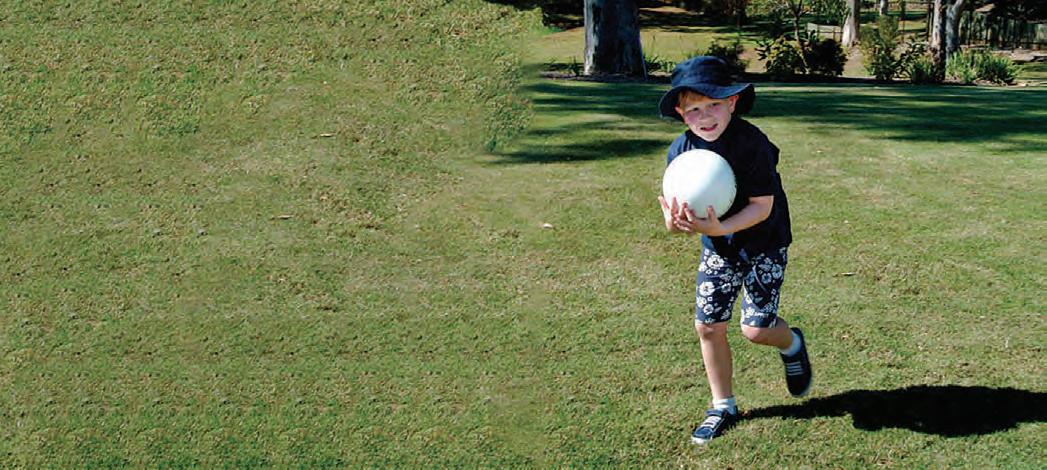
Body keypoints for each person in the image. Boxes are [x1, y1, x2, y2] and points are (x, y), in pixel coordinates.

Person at [655, 56, 813, 445]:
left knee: (756, 329)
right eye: (694, 109)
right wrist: (676, 223)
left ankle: (792, 344)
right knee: (708, 326)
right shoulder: (681, 151)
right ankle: (722, 406)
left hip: (764, 244)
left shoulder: (752, 144)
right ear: (680, 113)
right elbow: (675, 215)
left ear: (732, 102)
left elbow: (763, 206)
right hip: (719, 248)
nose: (705, 117)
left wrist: (721, 227)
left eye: (713, 104)